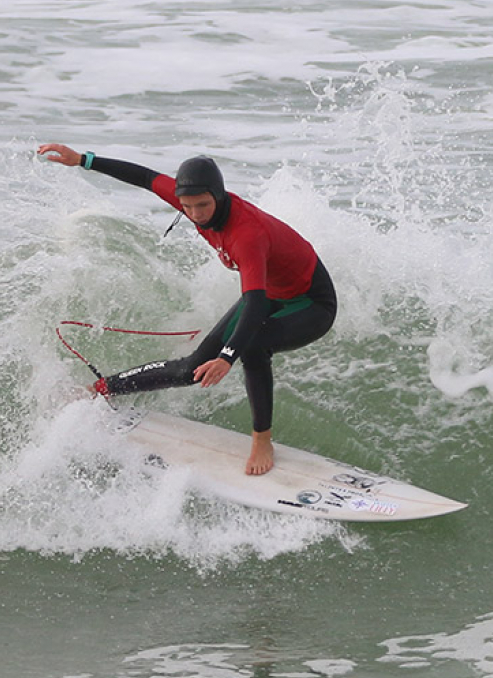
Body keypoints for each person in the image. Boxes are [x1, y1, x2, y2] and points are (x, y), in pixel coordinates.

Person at [37, 143, 337, 476]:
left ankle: (262, 440)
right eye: (188, 206)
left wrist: (226, 357)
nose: (195, 214)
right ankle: (101, 389)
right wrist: (83, 160)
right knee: (189, 370)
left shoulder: (247, 234)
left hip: (311, 302)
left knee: (253, 347)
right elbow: (145, 177)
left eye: (203, 205)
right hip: (270, 294)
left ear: (219, 196)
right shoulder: (190, 199)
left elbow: (254, 303)